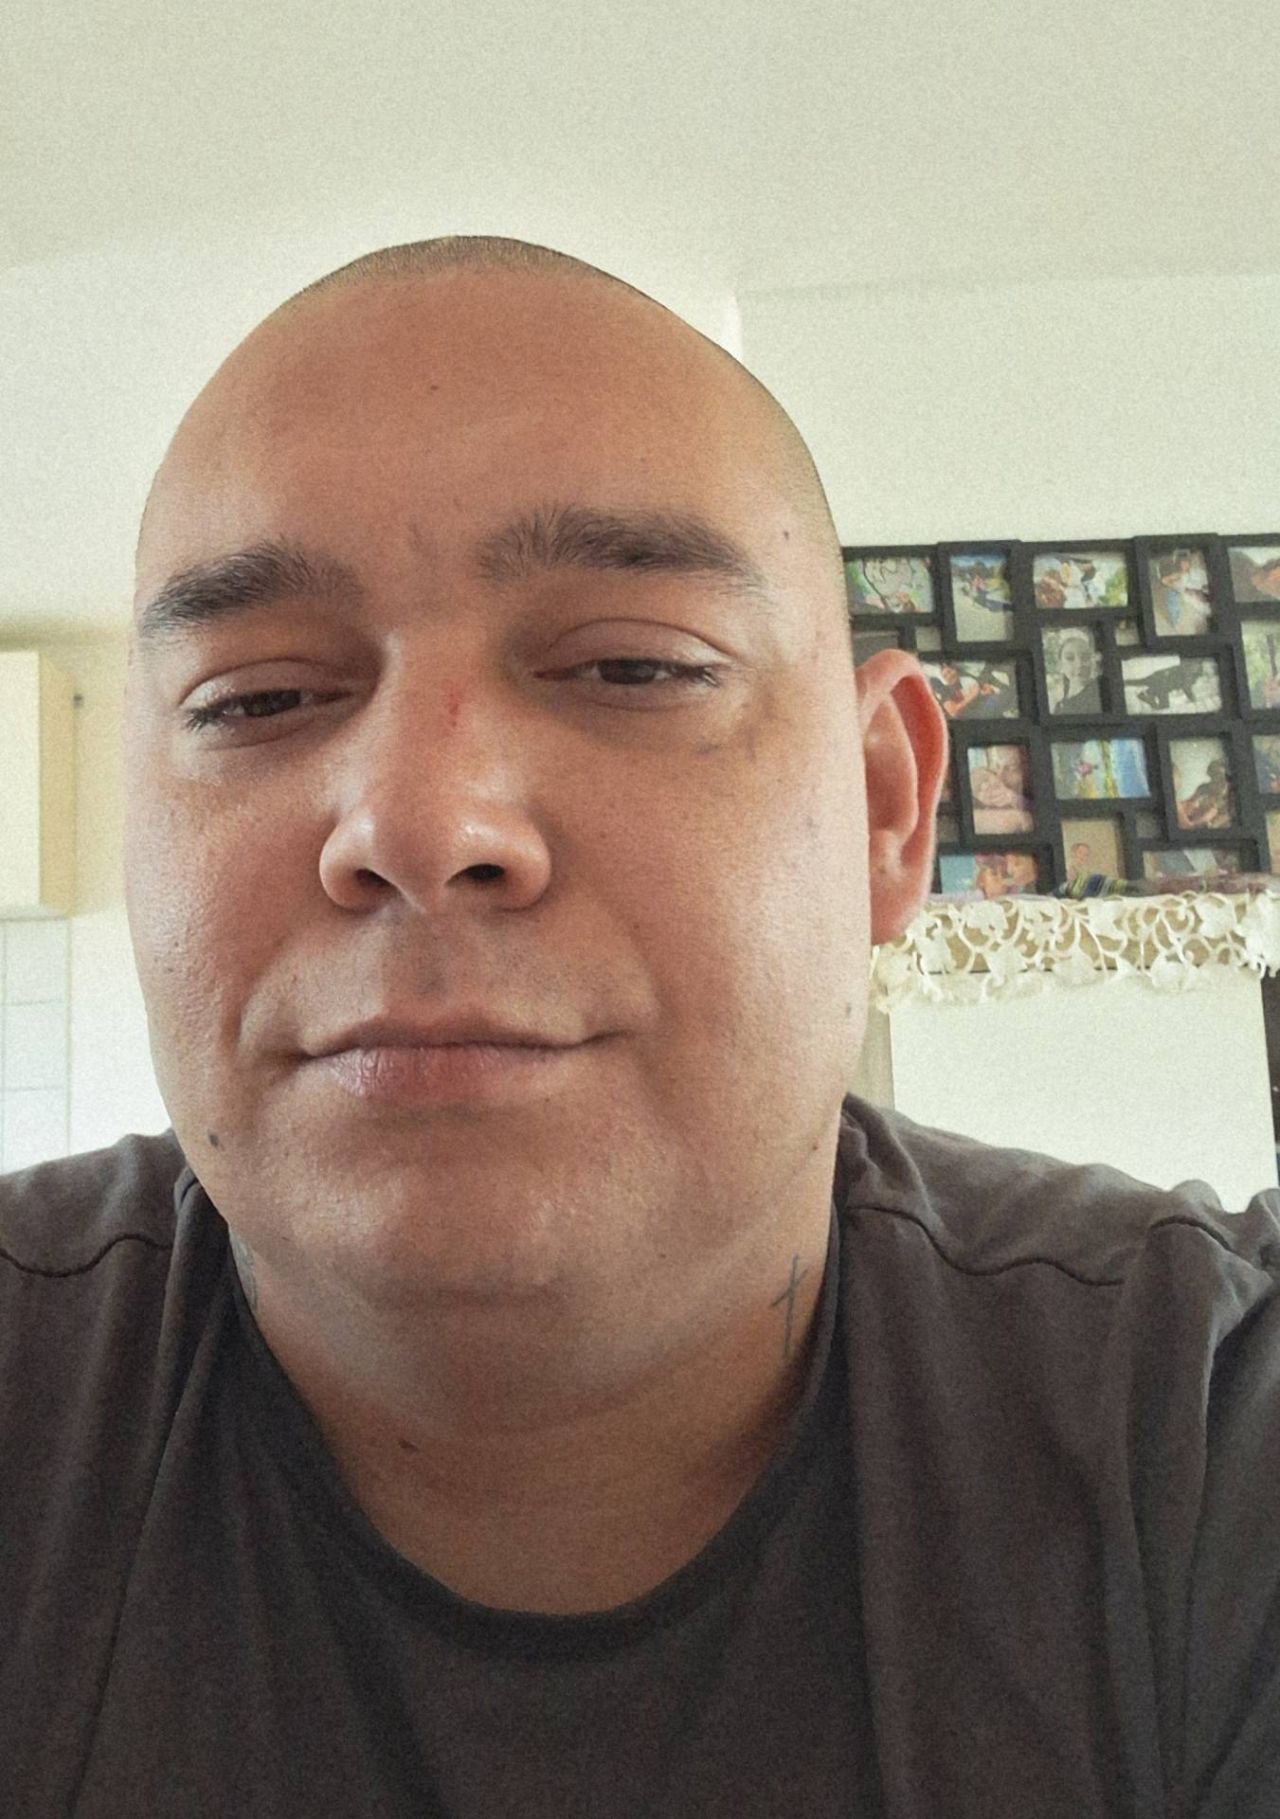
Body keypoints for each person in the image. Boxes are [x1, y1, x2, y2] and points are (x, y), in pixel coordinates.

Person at [1, 235, 1278, 1818]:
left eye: (633, 666)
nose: (417, 822)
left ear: (887, 810)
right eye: (256, 699)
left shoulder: (1210, 1438)